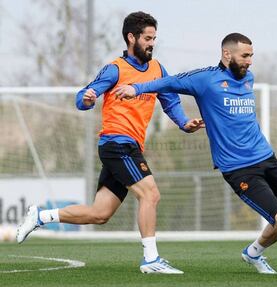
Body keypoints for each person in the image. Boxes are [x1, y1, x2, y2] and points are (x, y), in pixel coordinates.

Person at [115, 33, 277, 277]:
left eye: (251, 56)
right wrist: (135, 88)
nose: (250, 61)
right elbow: (167, 82)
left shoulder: (248, 78)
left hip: (267, 158)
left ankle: (253, 252)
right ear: (227, 54)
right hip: (239, 169)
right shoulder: (204, 79)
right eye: (245, 56)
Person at [16, 11, 204, 274]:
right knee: (151, 194)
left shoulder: (158, 69)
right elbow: (82, 97)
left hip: (131, 147)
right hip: (116, 144)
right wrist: (88, 99)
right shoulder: (116, 68)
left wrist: (184, 123)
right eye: (148, 38)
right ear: (131, 37)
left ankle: (41, 216)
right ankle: (151, 260)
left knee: (100, 214)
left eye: (154, 38)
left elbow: (170, 101)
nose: (152, 43)